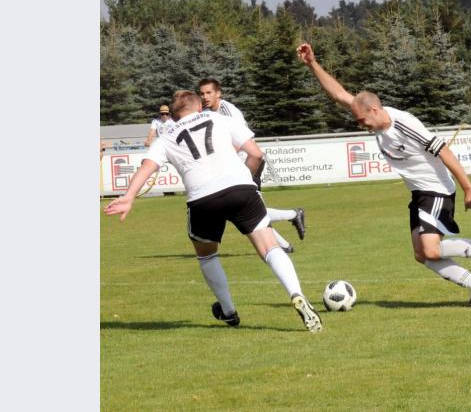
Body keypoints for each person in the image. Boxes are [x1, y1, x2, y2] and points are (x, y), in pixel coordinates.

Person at [298, 42, 471, 307]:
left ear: (374, 110)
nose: (360, 125)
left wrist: (468, 188)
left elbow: (444, 151)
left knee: (430, 249)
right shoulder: (372, 117)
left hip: (437, 190)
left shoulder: (404, 124)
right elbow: (340, 95)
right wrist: (312, 63)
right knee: (422, 254)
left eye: (361, 120)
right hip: (419, 193)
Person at [104, 90, 322, 332]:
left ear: (174, 116)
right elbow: (256, 153)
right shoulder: (221, 119)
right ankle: (297, 294)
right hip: (241, 189)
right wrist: (243, 182)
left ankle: (228, 311)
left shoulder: (165, 137)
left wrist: (128, 197)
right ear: (199, 107)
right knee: (269, 247)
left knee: (207, 255)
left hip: (203, 198)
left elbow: (148, 166)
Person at [198, 78, 306, 252]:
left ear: (219, 93)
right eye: (202, 93)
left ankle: (292, 219)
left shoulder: (228, 111)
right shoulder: (208, 112)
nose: (204, 97)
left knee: (250, 211)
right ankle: (286, 240)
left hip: (248, 163)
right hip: (234, 166)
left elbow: (242, 142)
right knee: (247, 211)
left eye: (208, 92)